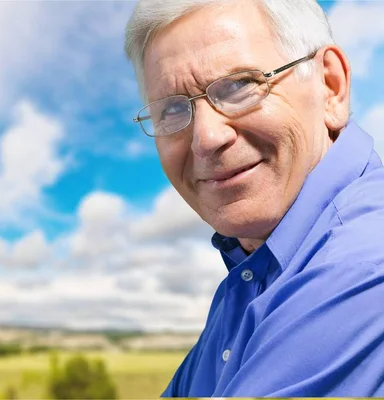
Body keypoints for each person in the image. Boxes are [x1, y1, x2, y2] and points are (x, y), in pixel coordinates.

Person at [125, 0, 384, 397]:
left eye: (239, 85)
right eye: (173, 109)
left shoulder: (361, 267)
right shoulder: (254, 268)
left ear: (330, 87)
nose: (208, 138)